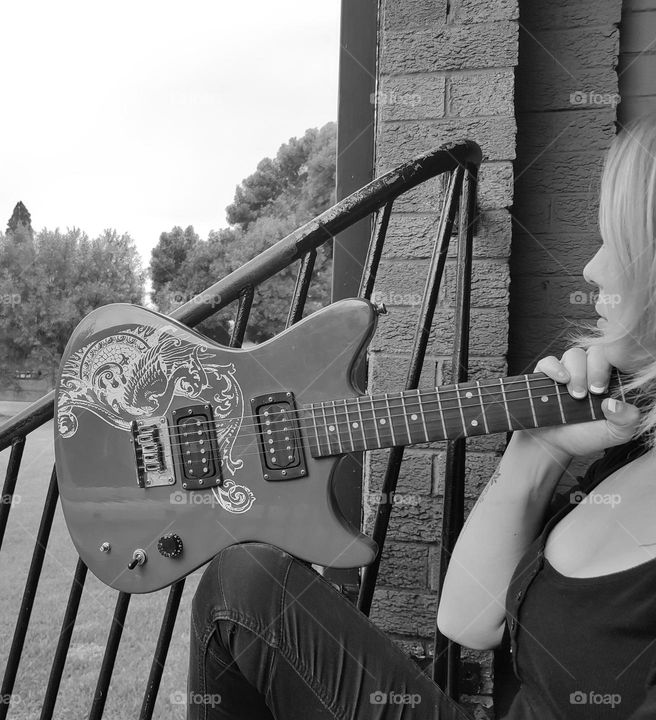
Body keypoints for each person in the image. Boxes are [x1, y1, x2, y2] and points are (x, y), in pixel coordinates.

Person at [186, 115, 656, 719]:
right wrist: (541, 450)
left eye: (613, 243)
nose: (591, 269)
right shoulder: (628, 449)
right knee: (242, 585)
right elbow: (468, 619)